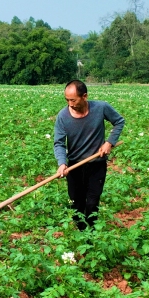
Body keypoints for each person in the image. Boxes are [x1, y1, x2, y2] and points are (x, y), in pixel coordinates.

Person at [54, 80, 125, 231]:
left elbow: (119, 121)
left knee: (92, 203)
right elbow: (59, 143)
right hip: (74, 166)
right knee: (76, 204)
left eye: (73, 100)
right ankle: (81, 234)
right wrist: (62, 163)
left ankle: (92, 235)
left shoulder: (101, 107)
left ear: (84, 96)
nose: (70, 104)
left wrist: (109, 142)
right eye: (67, 100)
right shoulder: (63, 116)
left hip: (96, 164)